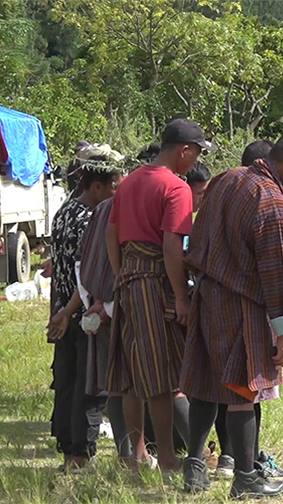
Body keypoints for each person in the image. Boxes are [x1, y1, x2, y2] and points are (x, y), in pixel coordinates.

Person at [180, 131, 283, 499]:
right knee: (244, 390)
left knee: (205, 384)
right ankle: (245, 477)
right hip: (241, 304)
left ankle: (194, 465)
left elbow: (199, 231)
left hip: (206, 296)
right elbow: (279, 273)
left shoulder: (226, 179)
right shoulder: (272, 203)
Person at [105, 118, 215, 478]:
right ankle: (168, 460)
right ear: (183, 150)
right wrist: (181, 297)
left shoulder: (129, 181)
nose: (195, 159)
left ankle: (136, 456)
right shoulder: (177, 188)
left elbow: (112, 232)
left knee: (131, 373)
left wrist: (122, 272)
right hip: (155, 281)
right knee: (160, 375)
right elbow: (172, 247)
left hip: (128, 281)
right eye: (196, 151)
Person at [46, 148, 123, 471]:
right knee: (89, 388)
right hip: (83, 313)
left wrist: (58, 312)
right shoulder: (90, 220)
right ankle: (80, 454)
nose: (116, 194)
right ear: (96, 187)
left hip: (63, 312)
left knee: (65, 385)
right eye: (113, 187)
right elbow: (85, 274)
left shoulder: (62, 213)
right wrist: (72, 311)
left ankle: (68, 450)